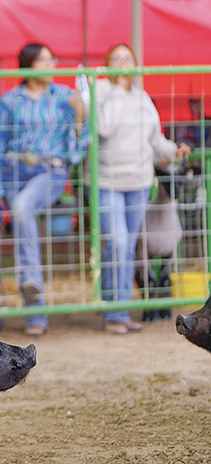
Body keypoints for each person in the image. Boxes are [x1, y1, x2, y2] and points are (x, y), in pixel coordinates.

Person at [0, 43, 89, 337]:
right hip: (14, 169)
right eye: (41, 59)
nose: (48, 64)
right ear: (27, 65)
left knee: (22, 208)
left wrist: (80, 118)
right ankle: (36, 314)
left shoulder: (66, 97)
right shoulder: (9, 100)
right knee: (22, 218)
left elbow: (78, 150)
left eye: (50, 59)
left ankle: (31, 281)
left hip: (51, 170)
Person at [94, 43, 191, 334]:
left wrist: (174, 151)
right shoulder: (100, 91)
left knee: (129, 247)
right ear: (108, 64)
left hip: (138, 182)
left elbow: (155, 138)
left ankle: (121, 311)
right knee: (118, 242)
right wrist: (115, 90)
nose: (123, 63)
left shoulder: (143, 97)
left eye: (127, 58)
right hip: (107, 181)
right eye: (116, 58)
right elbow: (103, 128)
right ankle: (114, 311)